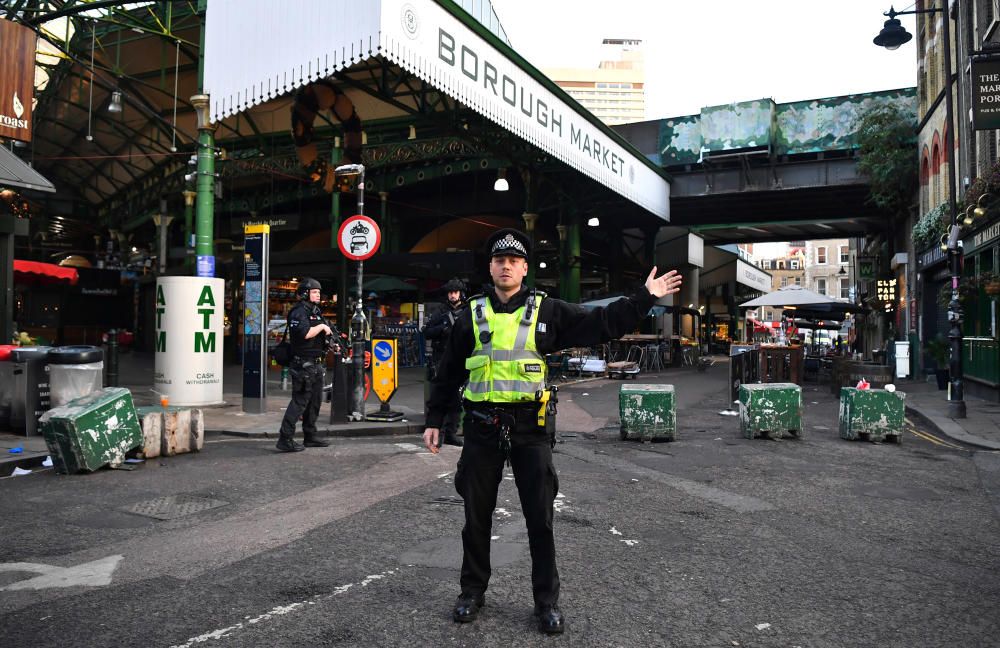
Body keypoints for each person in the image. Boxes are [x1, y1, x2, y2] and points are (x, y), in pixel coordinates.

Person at [422, 228, 682, 634]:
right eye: (498, 260)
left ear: (525, 268)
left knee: (539, 521)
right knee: (476, 518)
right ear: (490, 268)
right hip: (481, 428)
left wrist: (644, 298)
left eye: (513, 261)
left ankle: (546, 602)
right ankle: (471, 593)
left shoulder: (548, 311)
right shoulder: (470, 315)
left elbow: (602, 323)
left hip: (531, 429)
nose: (505, 266)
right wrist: (435, 420)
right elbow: (448, 372)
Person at [276, 277, 338, 452]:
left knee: (315, 402)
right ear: (305, 293)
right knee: (299, 402)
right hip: (303, 365)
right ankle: (285, 438)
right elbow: (304, 333)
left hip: (316, 364)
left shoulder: (316, 311)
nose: (318, 294)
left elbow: (322, 332)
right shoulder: (298, 312)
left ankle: (310, 436)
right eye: (314, 292)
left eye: (319, 292)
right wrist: (321, 328)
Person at [421, 277, 468, 448]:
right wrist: (443, 328)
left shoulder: (467, 310)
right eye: (450, 292)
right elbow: (427, 332)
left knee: (457, 399)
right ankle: (438, 433)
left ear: (461, 294)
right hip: (441, 358)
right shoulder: (440, 311)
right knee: (440, 396)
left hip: (462, 358)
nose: (452, 295)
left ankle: (450, 433)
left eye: (455, 292)